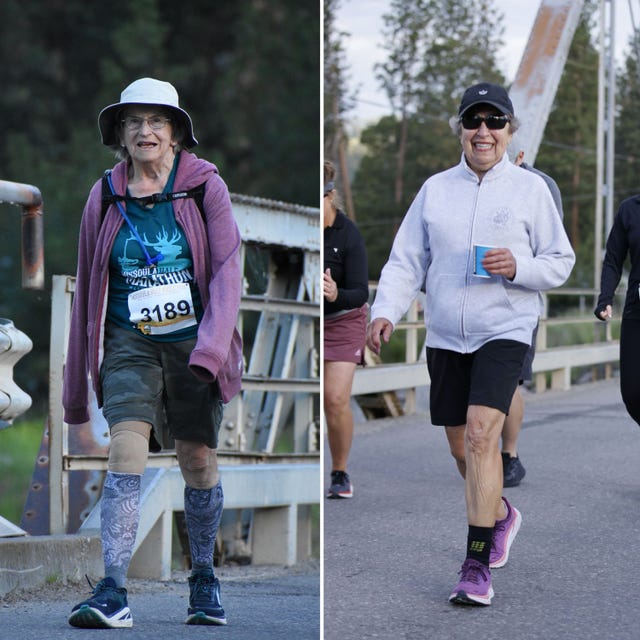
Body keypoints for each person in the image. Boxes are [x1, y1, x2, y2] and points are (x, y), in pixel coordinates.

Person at [366, 82, 574, 606]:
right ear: (461, 129)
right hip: (444, 335)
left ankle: (476, 566)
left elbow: (560, 260)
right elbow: (406, 260)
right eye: (473, 121)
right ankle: (500, 513)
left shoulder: (530, 191)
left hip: (504, 328)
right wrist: (385, 310)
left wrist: (519, 267)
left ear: (510, 131)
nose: (484, 131)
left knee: (484, 437)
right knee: (461, 446)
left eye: (495, 121)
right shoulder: (435, 190)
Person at [63, 77, 243, 628]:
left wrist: (212, 350)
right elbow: (88, 290)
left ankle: (204, 578)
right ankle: (113, 590)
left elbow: (230, 271)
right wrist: (76, 382)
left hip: (193, 346)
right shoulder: (105, 193)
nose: (145, 130)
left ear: (175, 134)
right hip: (128, 342)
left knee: (197, 461)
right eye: (134, 121)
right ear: (120, 133)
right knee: (125, 454)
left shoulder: (204, 188)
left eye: (157, 121)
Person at [500, 151, 565, 487]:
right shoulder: (461, 185)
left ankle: (509, 455)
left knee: (508, 383)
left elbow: (554, 253)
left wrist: (517, 266)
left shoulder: (540, 186)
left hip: (518, 303)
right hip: (468, 309)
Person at [323, 160, 369, 498]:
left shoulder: (347, 233)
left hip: (344, 320)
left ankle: (339, 471)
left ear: (330, 196)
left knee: (335, 399)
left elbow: (361, 292)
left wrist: (336, 293)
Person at [595, 194, 640, 426]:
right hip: (636, 311)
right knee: (633, 393)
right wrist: (605, 298)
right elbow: (613, 259)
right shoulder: (630, 209)